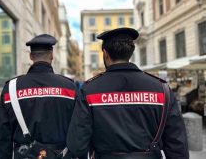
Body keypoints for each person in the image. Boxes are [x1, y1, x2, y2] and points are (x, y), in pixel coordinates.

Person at [66, 28, 189, 159]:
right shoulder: (162, 89)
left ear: (105, 54)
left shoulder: (88, 90)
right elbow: (177, 145)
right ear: (131, 53)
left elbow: (77, 145)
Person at [0, 34, 76, 159]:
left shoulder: (10, 89)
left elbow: (3, 137)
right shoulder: (70, 87)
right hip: (61, 155)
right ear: (52, 56)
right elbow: (78, 129)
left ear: (31, 56)